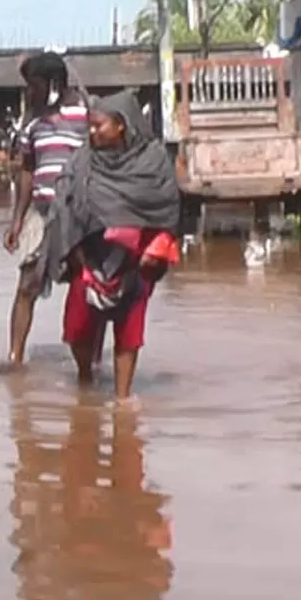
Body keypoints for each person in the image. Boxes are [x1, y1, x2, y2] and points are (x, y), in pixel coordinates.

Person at [59, 90, 181, 402]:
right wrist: (74, 251)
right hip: (88, 257)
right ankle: (85, 380)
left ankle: (123, 400)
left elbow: (167, 208)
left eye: (99, 126)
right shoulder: (83, 160)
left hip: (136, 262)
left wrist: (155, 248)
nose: (92, 132)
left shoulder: (153, 161)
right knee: (77, 329)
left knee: (128, 334)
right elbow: (67, 204)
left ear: (122, 125)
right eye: (90, 125)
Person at [0, 51, 88, 369]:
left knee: (85, 286)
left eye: (33, 86)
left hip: (78, 213)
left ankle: (86, 365)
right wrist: (17, 221)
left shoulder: (84, 113)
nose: (29, 93)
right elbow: (26, 170)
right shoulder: (31, 121)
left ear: (53, 83)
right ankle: (15, 358)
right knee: (27, 285)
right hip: (40, 210)